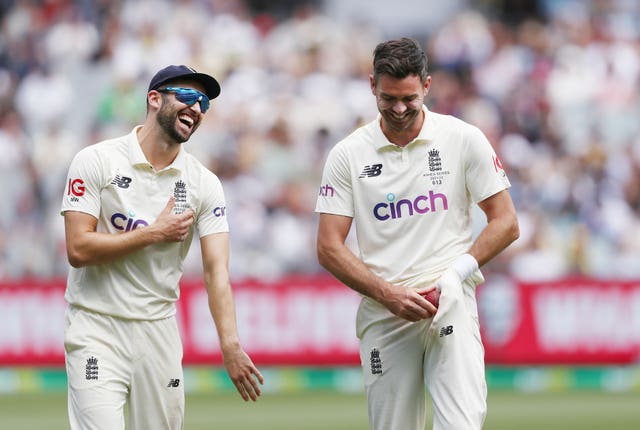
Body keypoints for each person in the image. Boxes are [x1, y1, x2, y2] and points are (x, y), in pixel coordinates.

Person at [315, 38, 519, 430]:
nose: (399, 108)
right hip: (385, 314)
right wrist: (387, 293)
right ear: (372, 85)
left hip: (451, 303)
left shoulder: (462, 138)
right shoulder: (348, 154)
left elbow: (507, 221)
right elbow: (327, 247)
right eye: (388, 97)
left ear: (427, 86)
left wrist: (455, 274)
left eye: (409, 97)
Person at [61, 65, 263, 430]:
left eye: (203, 103)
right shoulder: (96, 160)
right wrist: (153, 233)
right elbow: (77, 247)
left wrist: (230, 345)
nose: (197, 108)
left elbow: (217, 270)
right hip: (96, 328)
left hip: (159, 333)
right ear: (154, 99)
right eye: (186, 96)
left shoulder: (204, 183)